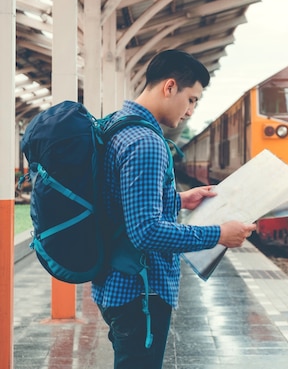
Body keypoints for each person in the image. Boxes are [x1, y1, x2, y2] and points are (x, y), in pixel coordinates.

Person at [91, 49, 256, 369]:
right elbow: (146, 232)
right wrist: (220, 234)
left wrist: (178, 199)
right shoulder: (146, 142)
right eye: (191, 99)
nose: (191, 110)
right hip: (140, 291)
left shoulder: (117, 125)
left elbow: (118, 201)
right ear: (169, 87)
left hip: (116, 283)